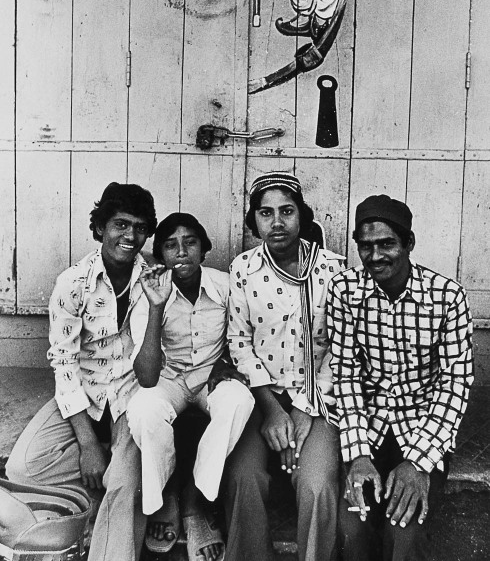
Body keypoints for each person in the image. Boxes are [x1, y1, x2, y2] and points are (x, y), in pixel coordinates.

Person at [6, 182, 158, 561]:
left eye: (140, 227)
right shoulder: (73, 283)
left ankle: (115, 504)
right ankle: (100, 479)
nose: (130, 236)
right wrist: (89, 445)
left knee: (123, 485)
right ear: (100, 228)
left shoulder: (152, 279)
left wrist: (156, 305)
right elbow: (64, 363)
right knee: (23, 466)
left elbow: (149, 370)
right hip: (86, 392)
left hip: (129, 396)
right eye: (120, 225)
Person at [326, 194, 474, 561]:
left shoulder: (447, 296)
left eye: (387, 244)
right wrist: (358, 455)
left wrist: (419, 462)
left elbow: (456, 382)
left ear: (408, 243)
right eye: (366, 246)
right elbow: (345, 374)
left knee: (403, 532)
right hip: (368, 427)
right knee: (351, 528)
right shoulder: (345, 291)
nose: (376, 256)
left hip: (422, 428)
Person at [223, 171, 344, 561]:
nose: (277, 222)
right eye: (265, 213)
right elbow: (239, 343)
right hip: (264, 398)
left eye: (287, 211)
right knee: (244, 477)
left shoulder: (333, 270)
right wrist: (273, 411)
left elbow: (343, 348)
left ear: (302, 217)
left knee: (316, 484)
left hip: (319, 400)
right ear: (254, 221)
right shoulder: (243, 269)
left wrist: (304, 410)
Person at [126, 212, 254, 561]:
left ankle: (195, 502)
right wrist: (156, 306)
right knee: (142, 409)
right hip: (168, 379)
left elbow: (245, 333)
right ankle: (166, 498)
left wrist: (226, 361)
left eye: (190, 242)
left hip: (212, 377)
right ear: (160, 256)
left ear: (205, 249)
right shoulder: (149, 291)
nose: (181, 252)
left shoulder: (226, 285)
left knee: (239, 400)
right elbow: (148, 377)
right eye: (170, 245)